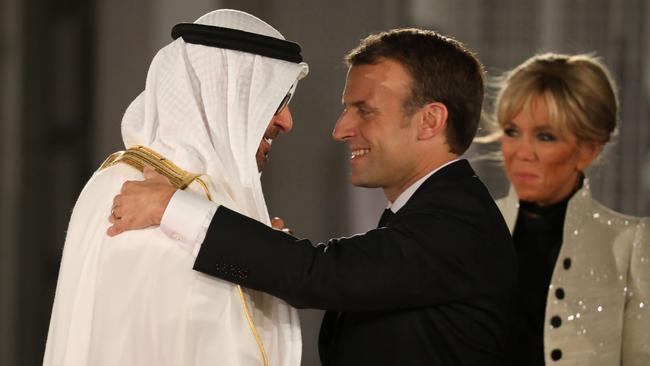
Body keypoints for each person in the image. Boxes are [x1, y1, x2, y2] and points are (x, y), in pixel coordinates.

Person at [109, 29, 519, 365]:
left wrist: (172, 208)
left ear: (430, 120)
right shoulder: (431, 214)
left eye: (364, 110)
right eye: (346, 109)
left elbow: (322, 276)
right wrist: (265, 246)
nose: (341, 129)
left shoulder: (456, 221)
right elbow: (344, 274)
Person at [44, 9, 308, 366]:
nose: (286, 122)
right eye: (276, 101)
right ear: (224, 94)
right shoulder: (164, 199)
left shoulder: (116, 177)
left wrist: (262, 253)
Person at [490, 53, 650, 365]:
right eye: (511, 131)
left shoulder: (630, 244)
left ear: (588, 150)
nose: (522, 152)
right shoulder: (469, 230)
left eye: (545, 136)